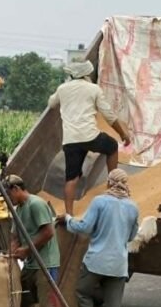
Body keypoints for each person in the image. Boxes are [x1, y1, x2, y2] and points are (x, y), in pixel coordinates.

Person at [60, 169, 139, 307]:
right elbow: (131, 236)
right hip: (119, 264)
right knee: (114, 306)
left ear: (109, 183)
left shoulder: (100, 202)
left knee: (81, 291)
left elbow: (85, 227)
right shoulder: (133, 207)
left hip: (97, 261)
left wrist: (68, 219)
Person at [48, 60, 131, 216]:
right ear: (87, 74)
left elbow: (51, 103)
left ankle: (69, 214)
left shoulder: (63, 89)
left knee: (71, 178)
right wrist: (122, 133)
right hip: (90, 136)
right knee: (112, 146)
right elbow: (108, 115)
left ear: (71, 74)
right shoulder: (93, 89)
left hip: (70, 140)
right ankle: (113, 187)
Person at [5, 174, 61, 307]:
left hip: (46, 263)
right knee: (24, 298)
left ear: (16, 189)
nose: (10, 199)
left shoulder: (36, 204)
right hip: (31, 263)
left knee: (47, 305)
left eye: (10, 194)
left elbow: (48, 232)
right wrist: (13, 252)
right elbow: (14, 236)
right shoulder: (18, 210)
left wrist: (27, 249)